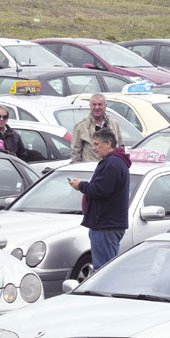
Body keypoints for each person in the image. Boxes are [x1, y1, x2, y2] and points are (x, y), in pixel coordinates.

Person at [69, 127, 131, 271]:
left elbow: (101, 190)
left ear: (108, 144)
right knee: (108, 268)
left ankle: (104, 294)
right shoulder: (114, 162)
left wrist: (81, 185)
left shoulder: (112, 163)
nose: (93, 148)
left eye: (96, 144)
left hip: (105, 225)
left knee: (103, 270)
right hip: (106, 224)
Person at [70, 94, 124, 163]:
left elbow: (120, 147)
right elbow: (75, 155)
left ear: (105, 106)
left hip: (111, 167)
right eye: (94, 104)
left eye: (100, 104)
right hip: (91, 169)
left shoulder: (114, 123)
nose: (97, 107)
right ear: (90, 106)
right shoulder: (81, 126)